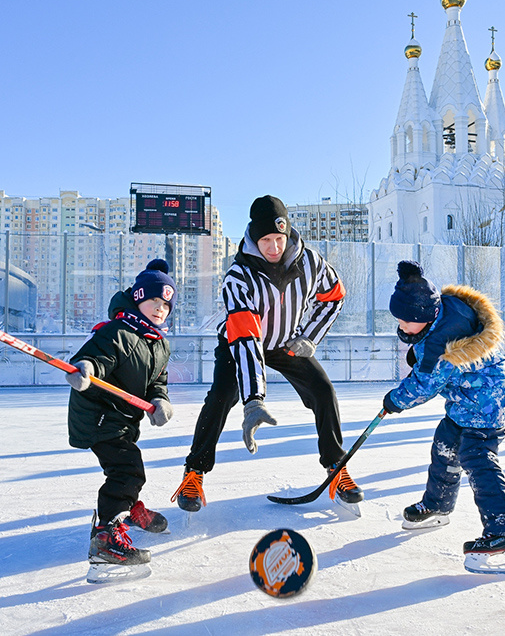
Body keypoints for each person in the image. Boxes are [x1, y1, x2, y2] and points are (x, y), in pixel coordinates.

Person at [172, 195, 361, 512]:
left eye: (279, 238)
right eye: (265, 240)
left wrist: (310, 336)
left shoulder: (312, 262)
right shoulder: (238, 277)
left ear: (287, 233)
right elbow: (247, 339)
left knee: (323, 391)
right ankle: (194, 473)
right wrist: (254, 401)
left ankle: (336, 467)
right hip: (239, 343)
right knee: (220, 397)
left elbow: (334, 296)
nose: (274, 247)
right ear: (253, 238)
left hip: (287, 342)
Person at [382, 261, 505, 574]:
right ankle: (437, 505)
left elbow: (424, 386)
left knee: (478, 460)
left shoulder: (442, 345)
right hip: (467, 402)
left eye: (406, 321)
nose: (401, 327)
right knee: (445, 445)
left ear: (424, 317)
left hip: (487, 407)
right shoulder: (443, 310)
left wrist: (394, 400)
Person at [65, 259, 177, 569]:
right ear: (138, 299)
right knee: (127, 470)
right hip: (99, 415)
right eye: (154, 301)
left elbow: (158, 381)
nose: (160, 309)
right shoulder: (119, 331)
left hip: (124, 420)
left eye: (166, 305)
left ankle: (129, 509)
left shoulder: (158, 343)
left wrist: (160, 400)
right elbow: (95, 357)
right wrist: (86, 369)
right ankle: (106, 537)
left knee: (127, 466)